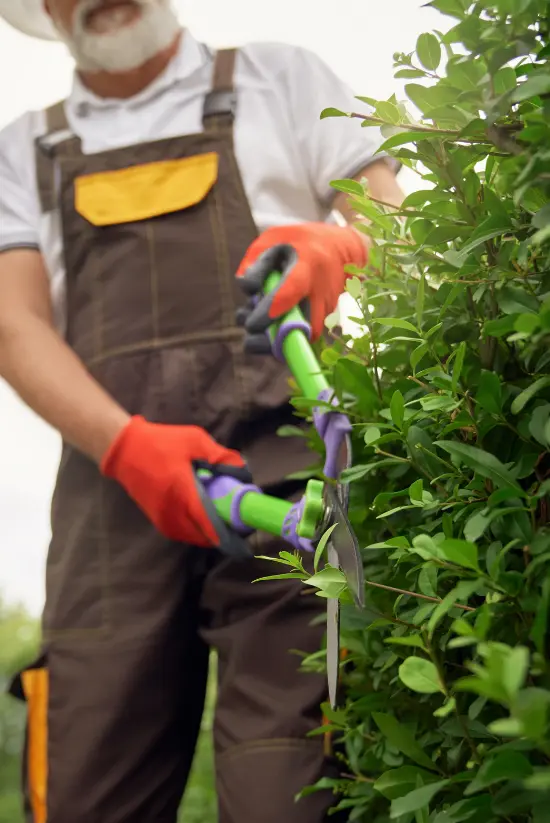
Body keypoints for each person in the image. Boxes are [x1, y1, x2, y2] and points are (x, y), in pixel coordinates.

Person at [0, 2, 404, 822]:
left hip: (286, 470)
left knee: (290, 788)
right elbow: (13, 323)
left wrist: (345, 246)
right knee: (88, 785)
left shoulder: (279, 78)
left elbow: (400, 224)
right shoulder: (19, 150)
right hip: (110, 491)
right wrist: (125, 447)